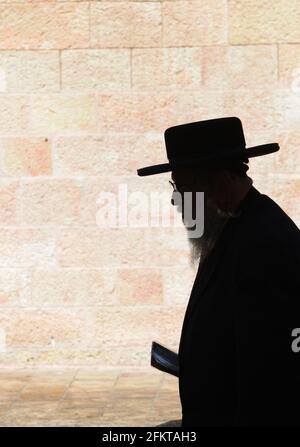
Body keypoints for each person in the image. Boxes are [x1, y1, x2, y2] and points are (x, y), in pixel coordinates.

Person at [137, 117, 300, 426]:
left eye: (182, 187)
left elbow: (269, 380)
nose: (175, 198)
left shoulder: (261, 245)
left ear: (221, 185)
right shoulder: (231, 228)